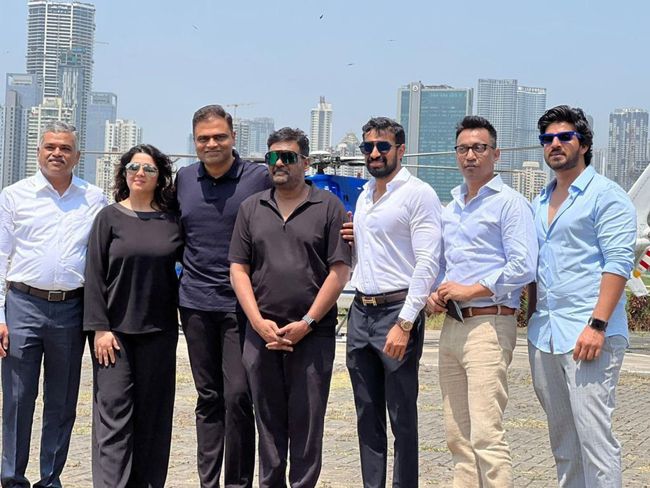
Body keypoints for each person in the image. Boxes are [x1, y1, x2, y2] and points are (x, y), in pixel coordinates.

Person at [230, 127, 351, 487]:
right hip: (261, 336)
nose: (278, 163)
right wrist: (257, 322)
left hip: (312, 336)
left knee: (307, 426)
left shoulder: (328, 207)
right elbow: (238, 269)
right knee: (267, 426)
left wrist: (308, 322)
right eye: (272, 156)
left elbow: (339, 271)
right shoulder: (251, 207)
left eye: (288, 156)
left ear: (306, 162)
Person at [527, 105, 636, 488]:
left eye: (564, 137)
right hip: (545, 335)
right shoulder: (538, 202)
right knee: (564, 443)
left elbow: (618, 263)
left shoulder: (607, 196)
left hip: (589, 335)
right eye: (547, 139)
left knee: (594, 441)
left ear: (584, 144)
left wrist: (597, 325)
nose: (554, 144)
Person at [426, 116, 537, 487]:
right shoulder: (452, 207)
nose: (470, 156)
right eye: (463, 149)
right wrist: (435, 292)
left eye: (479, 148)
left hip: (489, 325)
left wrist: (471, 290)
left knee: (487, 434)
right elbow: (444, 265)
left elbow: (523, 266)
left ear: (496, 154)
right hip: (452, 327)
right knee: (457, 436)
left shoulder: (510, 204)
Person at [0, 121, 106, 487]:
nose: (57, 153)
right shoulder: (14, 195)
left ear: (77, 155)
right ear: (39, 152)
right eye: (50, 147)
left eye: (65, 148)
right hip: (22, 305)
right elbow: (0, 256)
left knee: (62, 402)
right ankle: (12, 479)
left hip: (72, 310)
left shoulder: (95, 198)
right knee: (17, 398)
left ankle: (50, 479)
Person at [175, 104, 269, 488]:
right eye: (203, 138)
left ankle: (238, 483)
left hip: (241, 306)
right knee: (208, 397)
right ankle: (208, 481)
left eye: (219, 136)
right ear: (194, 142)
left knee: (238, 396)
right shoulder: (183, 179)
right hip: (194, 304)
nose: (211, 143)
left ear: (234, 138)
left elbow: (299, 203)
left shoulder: (259, 177)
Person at [346, 117, 442, 487]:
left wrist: (405, 322)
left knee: (402, 418)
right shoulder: (365, 195)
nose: (374, 153)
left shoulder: (418, 194)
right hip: (360, 311)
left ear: (400, 150)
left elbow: (428, 262)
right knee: (366, 416)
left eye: (382, 146)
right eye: (367, 147)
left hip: (396, 313)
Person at [83, 144, 183, 487]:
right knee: (113, 415)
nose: (140, 173)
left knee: (153, 417)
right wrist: (99, 328)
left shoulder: (172, 221)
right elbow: (94, 274)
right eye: (133, 167)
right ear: (124, 173)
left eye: (149, 169)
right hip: (114, 335)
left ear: (160, 177)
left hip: (160, 332)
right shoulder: (108, 218)